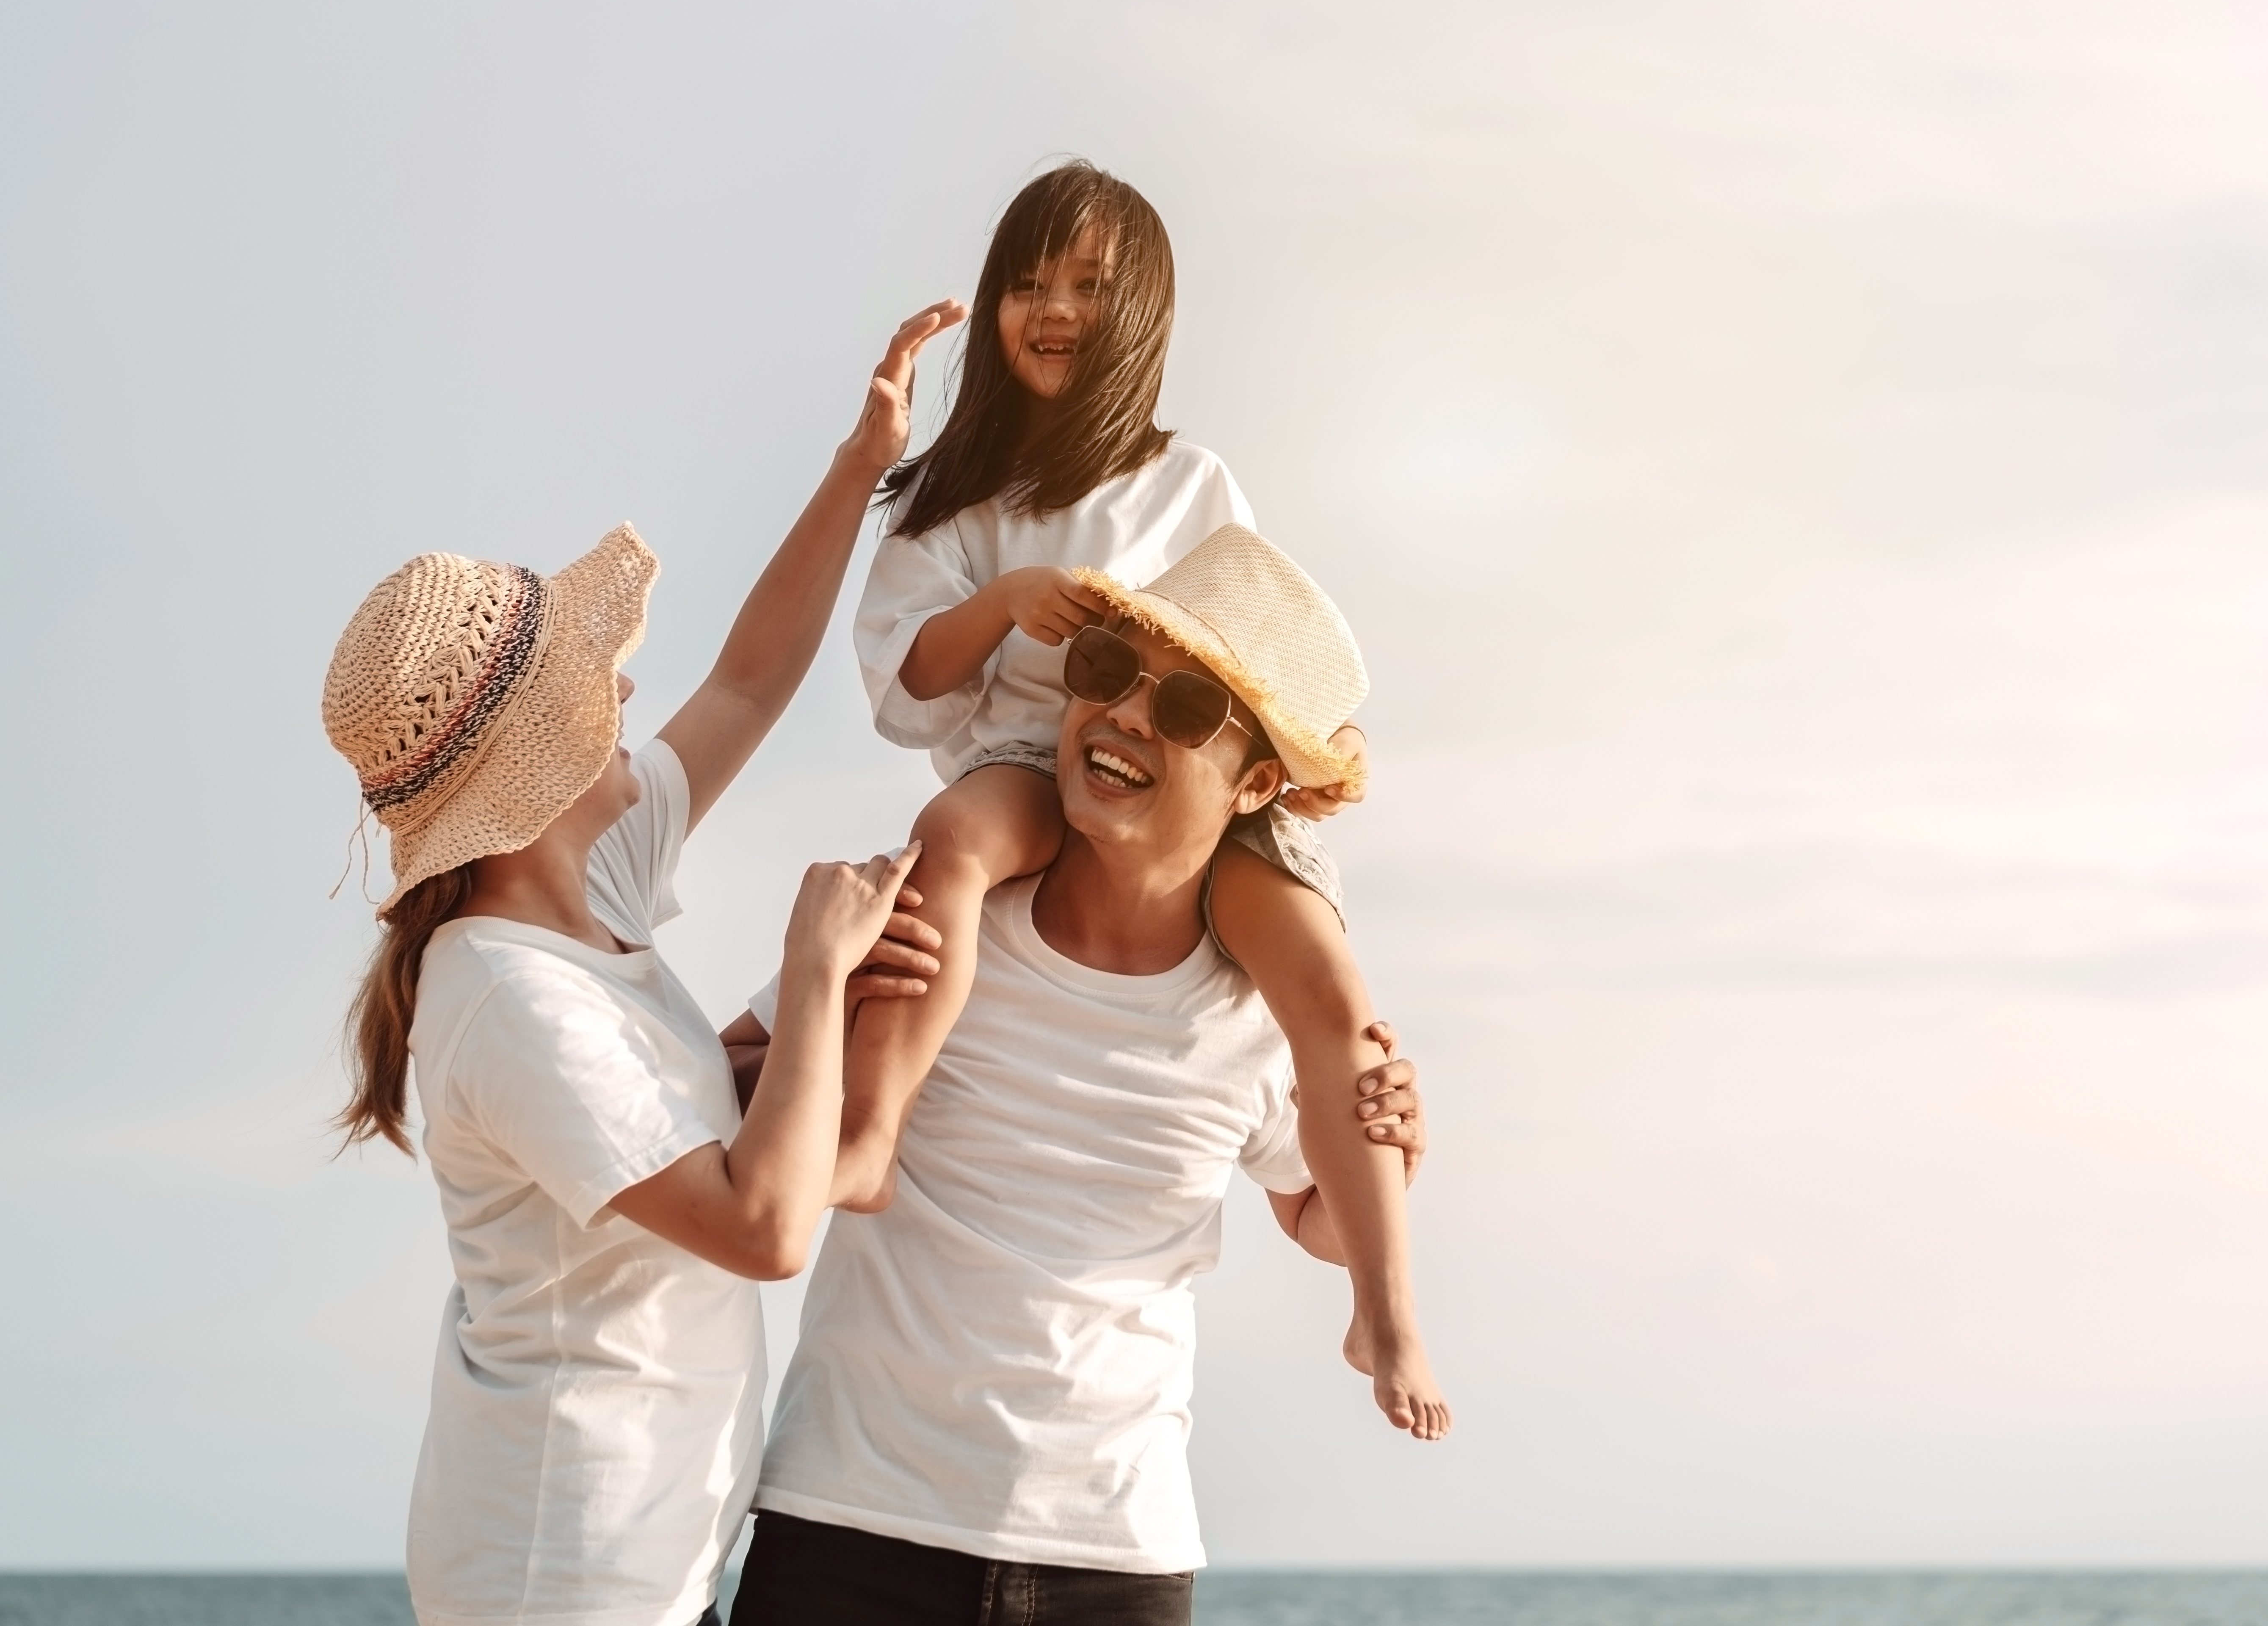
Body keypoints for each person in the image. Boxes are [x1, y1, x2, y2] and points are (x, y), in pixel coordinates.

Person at [321, 333, 949, 1626]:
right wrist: (813, 970)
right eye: (588, 682)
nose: (626, 682)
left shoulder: (589, 881)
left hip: (636, 1572)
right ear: (539, 759)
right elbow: (766, 1228)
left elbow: (751, 676)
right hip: (561, 1584)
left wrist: (859, 464)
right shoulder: (500, 992)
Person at [820, 160, 1447, 1438]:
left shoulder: (1188, 484)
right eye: (1029, 282)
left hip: (1198, 790)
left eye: (1089, 286)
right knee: (949, 841)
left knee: (1329, 989)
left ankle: (1387, 1305)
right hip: (1025, 756)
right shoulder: (952, 500)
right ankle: (870, 1127)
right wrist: (1003, 604)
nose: (1052, 309)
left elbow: (1247, 651)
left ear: (1142, 314)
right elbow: (906, 683)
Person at [721, 525, 1431, 1626]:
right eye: (1106, 671)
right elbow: (732, 1077)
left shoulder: (1251, 1010)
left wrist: (1395, 1161)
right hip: (851, 1521)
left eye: (1189, 712)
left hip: (1114, 1558)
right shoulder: (932, 924)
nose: (1127, 715)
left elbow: (1312, 1214)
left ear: (1252, 790)